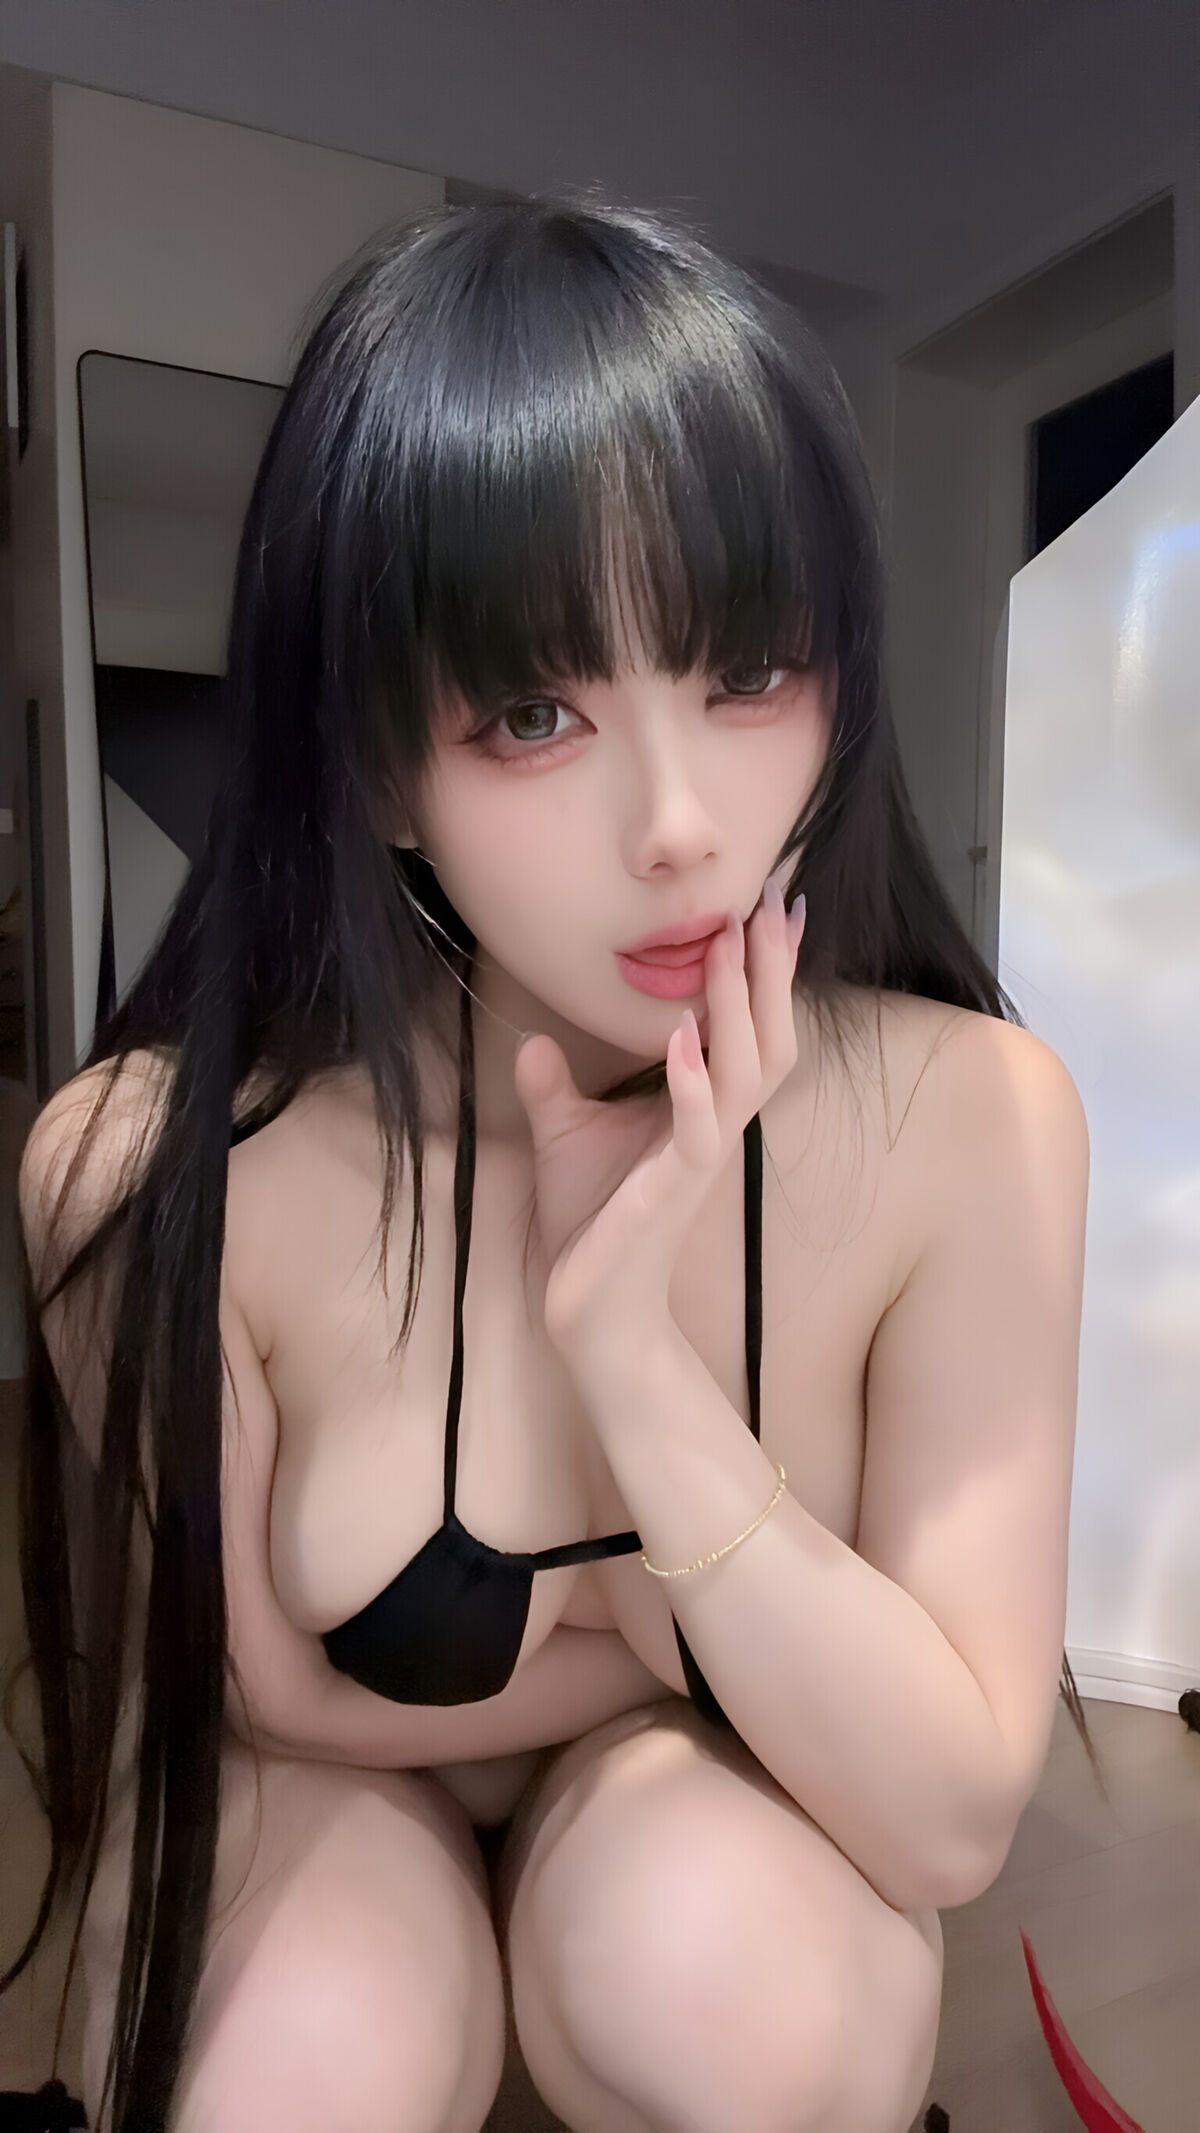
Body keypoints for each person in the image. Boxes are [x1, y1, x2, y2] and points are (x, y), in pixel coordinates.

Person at [3, 190, 1097, 2133]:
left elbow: (947, 1814)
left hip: (726, 1862)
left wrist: (628, 1356)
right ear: (374, 762)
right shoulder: (159, 1167)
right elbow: (267, 1696)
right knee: (294, 2058)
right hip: (324, 1813)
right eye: (533, 710)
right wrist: (680, 1662)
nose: (680, 823)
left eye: (747, 669)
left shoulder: (967, 1118)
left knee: (730, 1983)